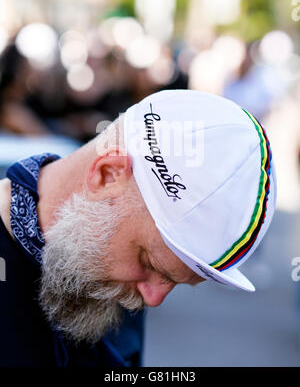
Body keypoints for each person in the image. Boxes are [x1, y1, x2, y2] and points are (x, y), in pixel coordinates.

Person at [0, 89, 276, 367]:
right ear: (107, 176)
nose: (153, 299)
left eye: (175, 283)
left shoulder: (108, 283)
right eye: (150, 263)